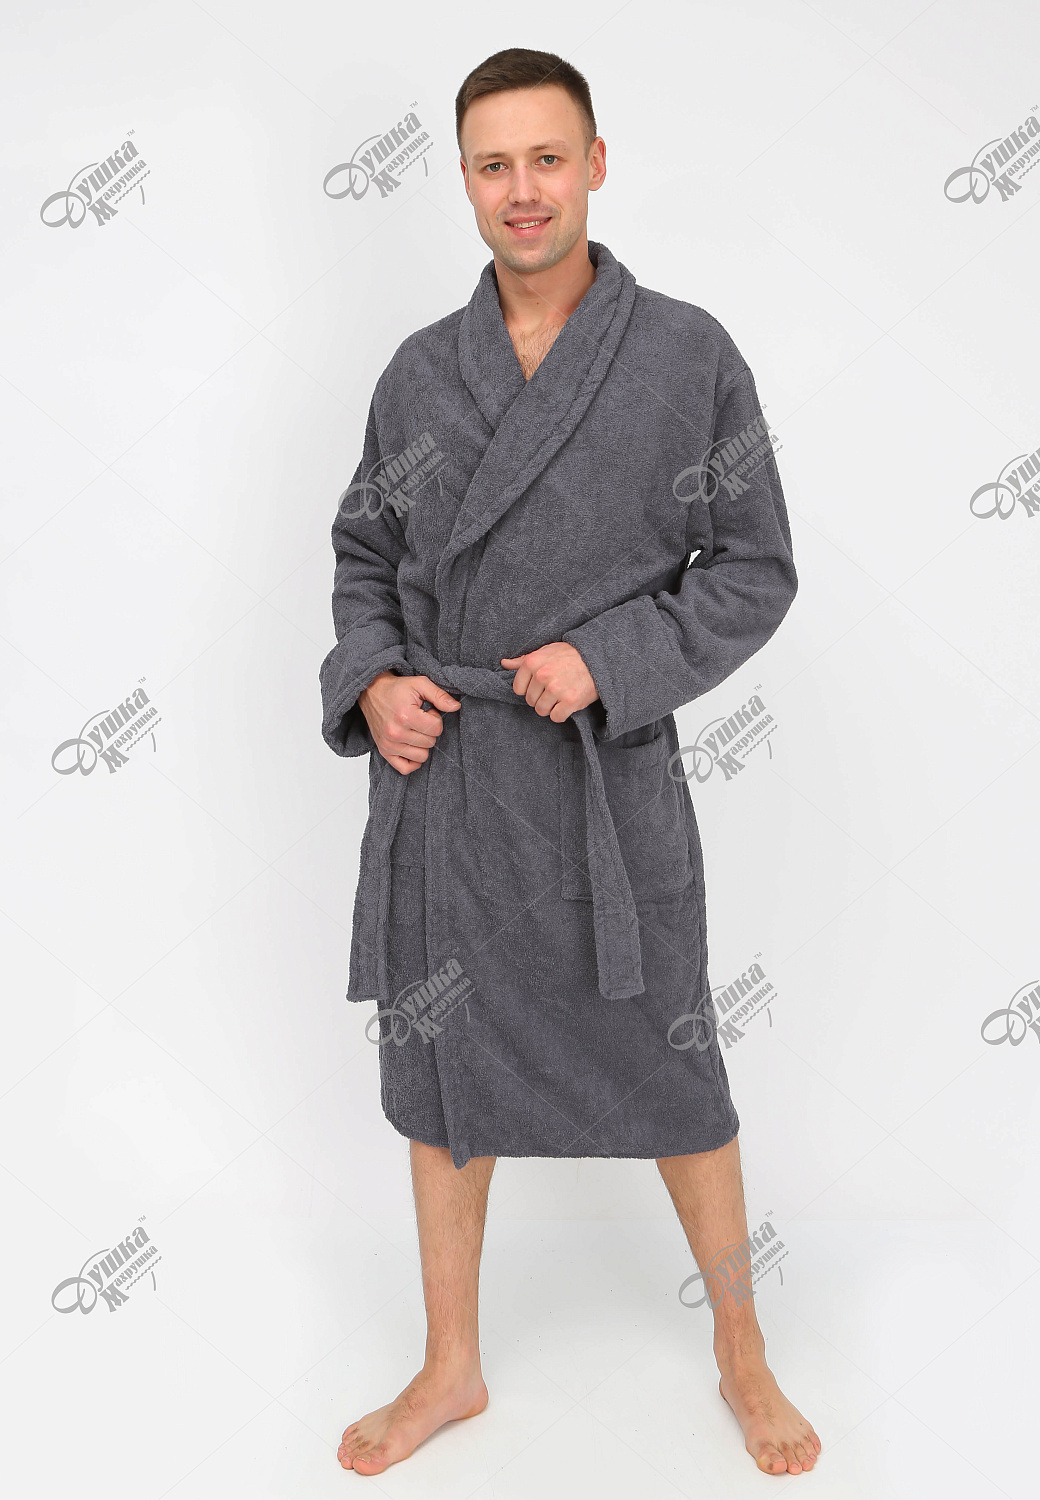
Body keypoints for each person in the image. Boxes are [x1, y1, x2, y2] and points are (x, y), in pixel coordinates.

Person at [322, 46, 819, 1479]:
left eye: (547, 158)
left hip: (604, 784)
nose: (522, 190)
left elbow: (754, 568)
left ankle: (740, 1348)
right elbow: (365, 559)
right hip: (453, 786)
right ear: (463, 179)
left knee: (674, 1067)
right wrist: (376, 682)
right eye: (494, 164)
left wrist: (613, 657)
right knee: (442, 1078)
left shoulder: (687, 355)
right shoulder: (421, 372)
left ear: (595, 165)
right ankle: (452, 1365)